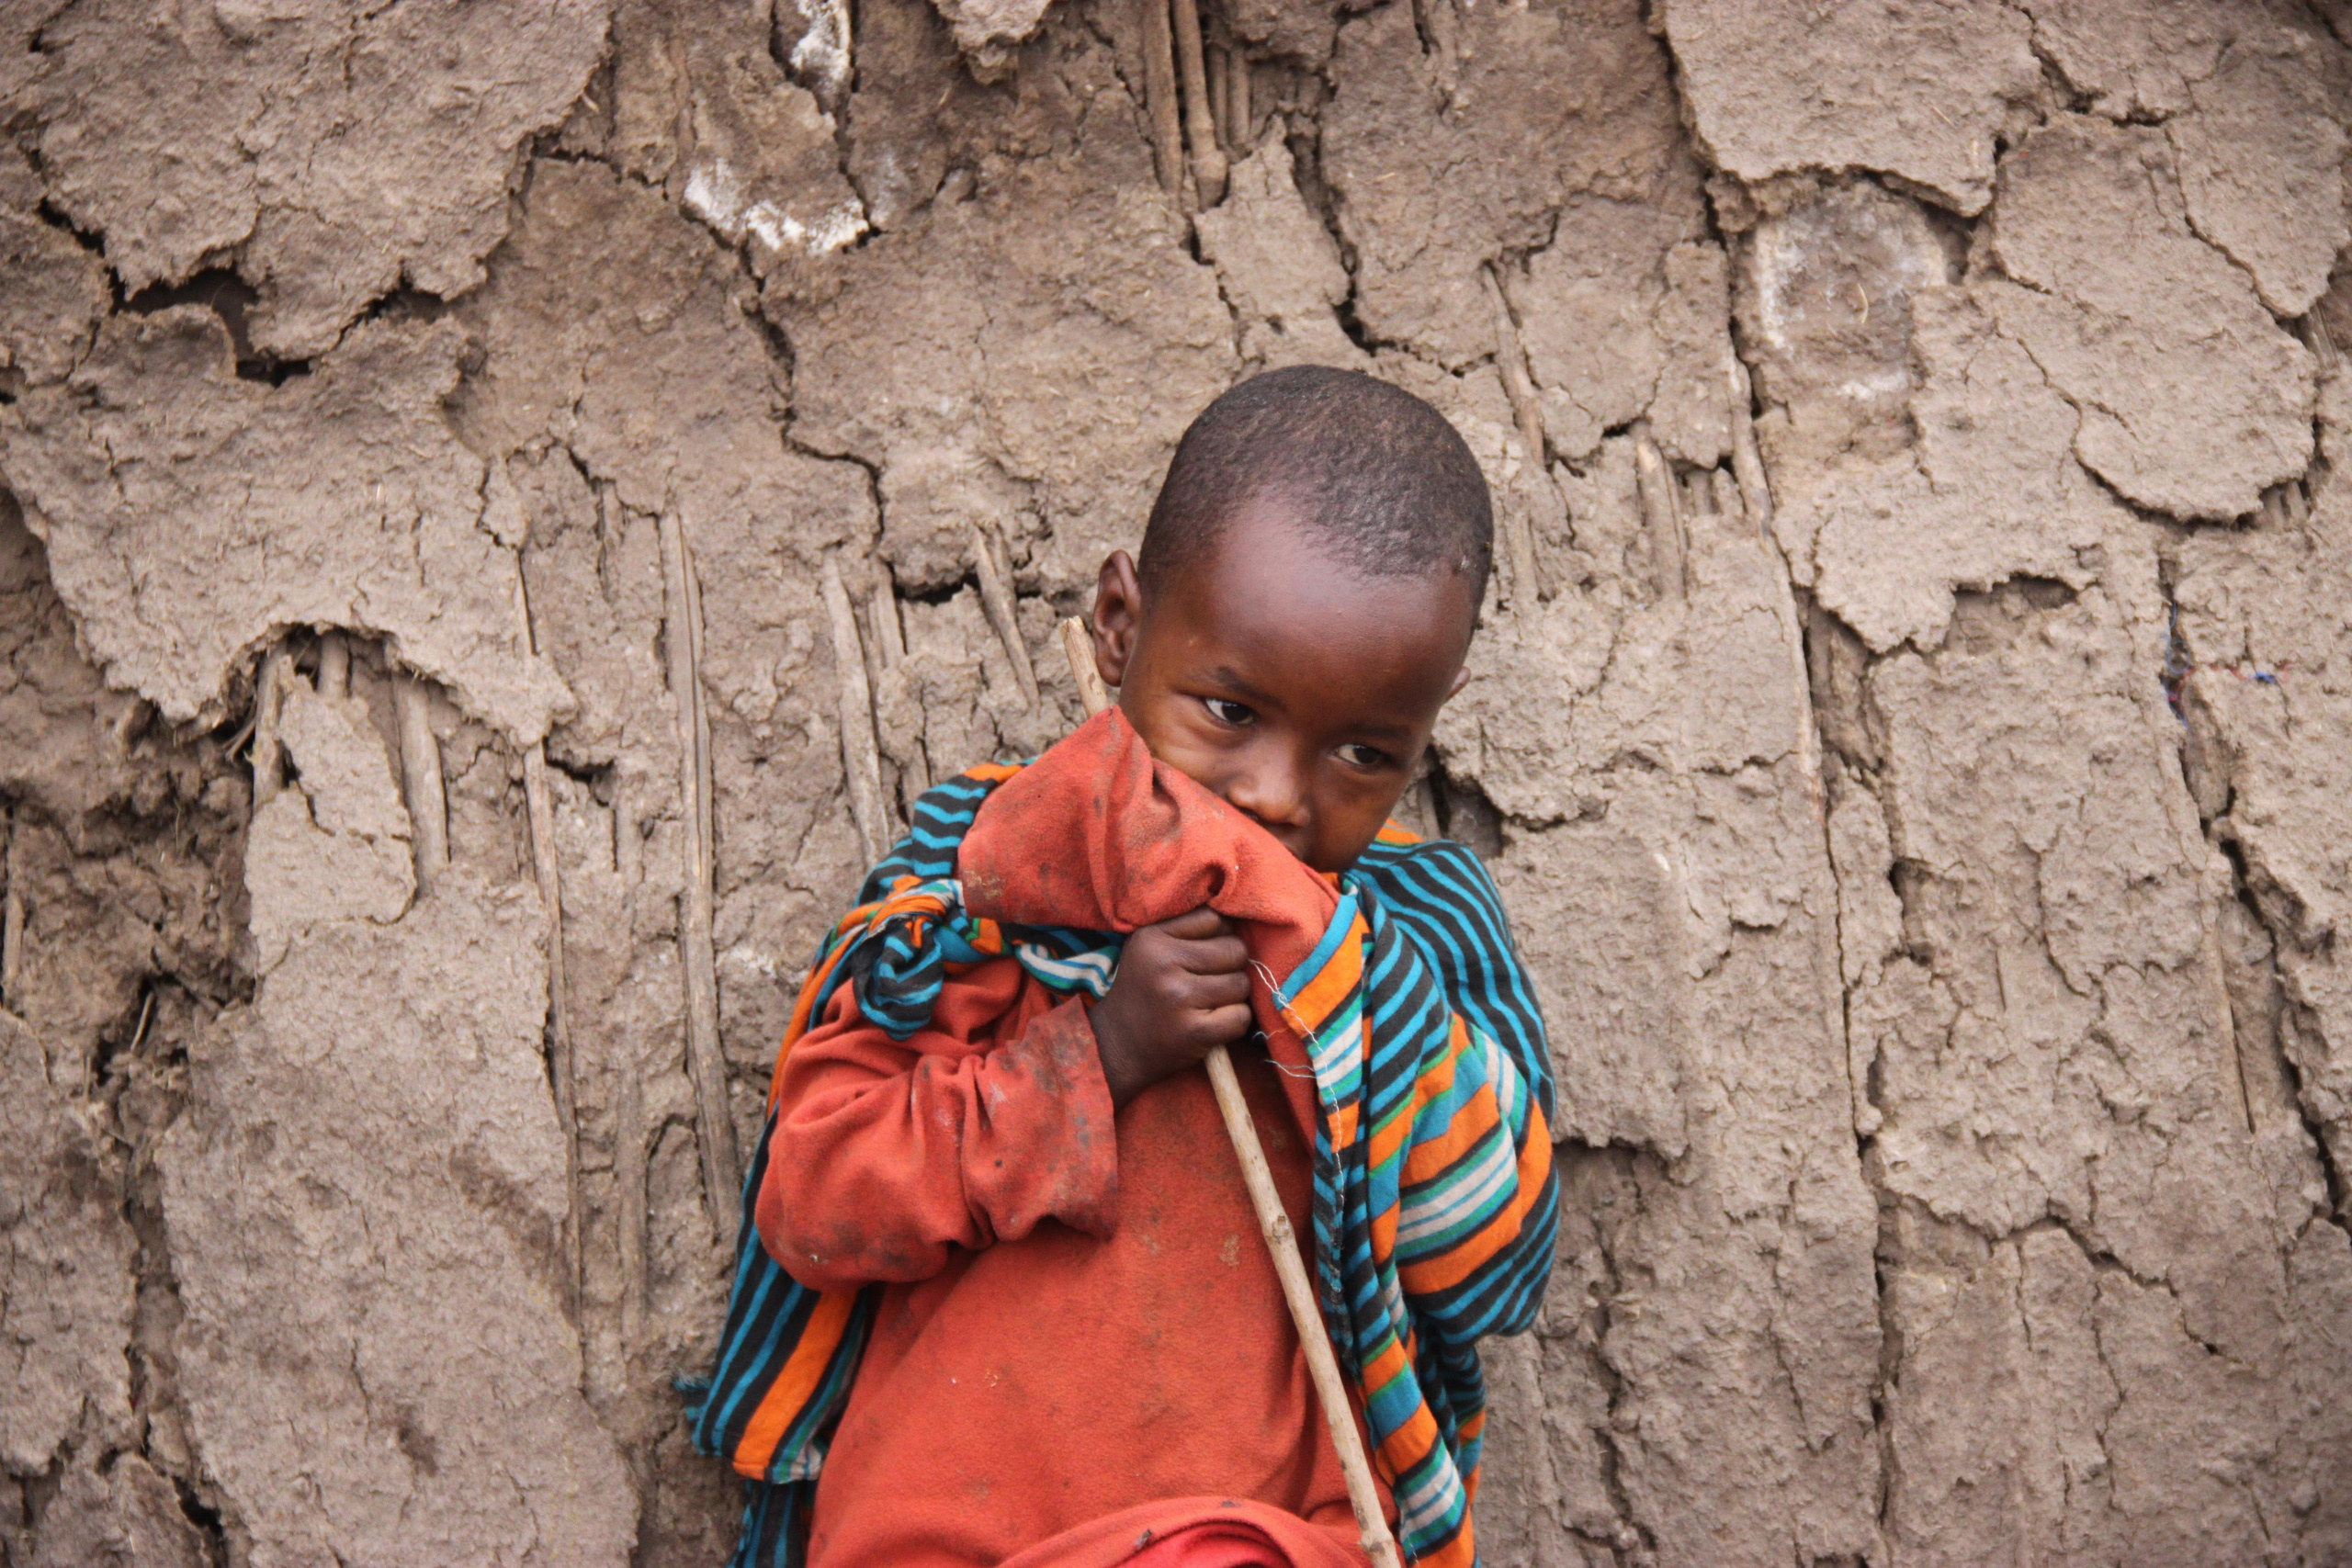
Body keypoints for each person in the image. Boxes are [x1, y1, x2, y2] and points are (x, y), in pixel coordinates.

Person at [691, 366, 1559, 1568]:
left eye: (1364, 752)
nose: (1276, 796)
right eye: (1230, 710)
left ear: (1429, 722)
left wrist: (1321, 968)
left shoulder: (1413, 928)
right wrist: (1092, 1060)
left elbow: (1501, 1268)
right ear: (1117, 626)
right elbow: (817, 1202)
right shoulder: (987, 876)